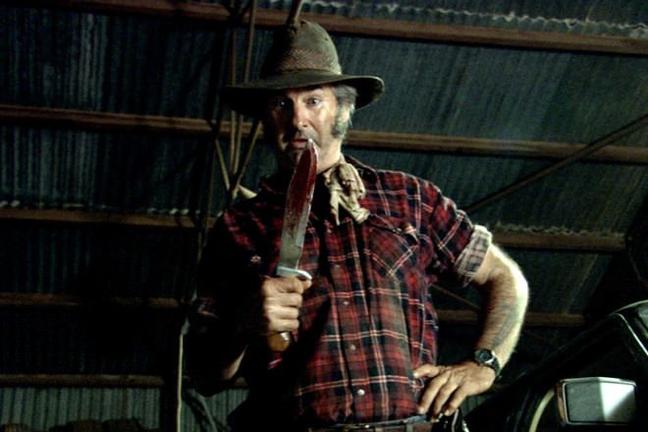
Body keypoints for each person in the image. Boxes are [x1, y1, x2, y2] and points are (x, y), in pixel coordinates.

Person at [186, 19, 528, 432]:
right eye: (281, 104)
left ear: (343, 110)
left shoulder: (410, 198)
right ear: (265, 117)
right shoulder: (238, 227)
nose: (298, 120)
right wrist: (242, 324)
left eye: (313, 101)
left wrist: (484, 364)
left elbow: (505, 277)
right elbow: (205, 377)